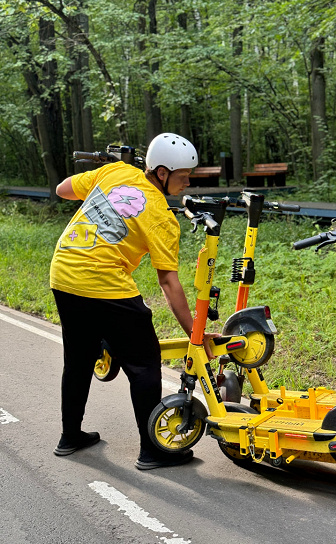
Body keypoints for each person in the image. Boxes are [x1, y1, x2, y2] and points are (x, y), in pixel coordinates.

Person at [50, 133, 217, 470]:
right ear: (161, 173)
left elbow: (63, 190)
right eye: (183, 176)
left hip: (65, 270)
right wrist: (194, 334)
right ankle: (152, 451)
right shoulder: (162, 219)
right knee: (143, 364)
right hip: (103, 282)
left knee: (79, 358)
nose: (187, 184)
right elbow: (169, 283)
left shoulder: (115, 172)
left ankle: (70, 437)